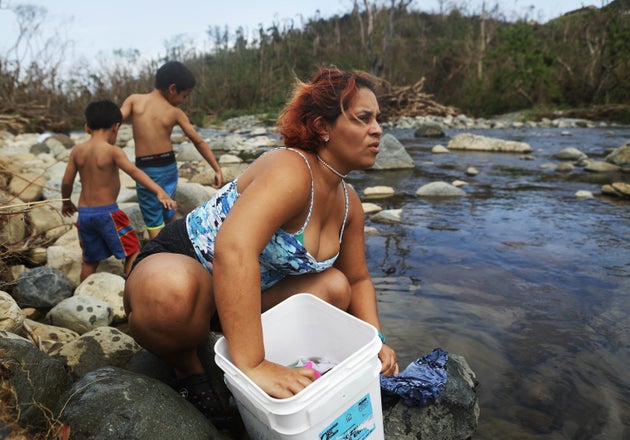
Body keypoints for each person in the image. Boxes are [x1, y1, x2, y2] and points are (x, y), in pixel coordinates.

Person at [123, 67, 398, 419]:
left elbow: (358, 279)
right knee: (169, 294)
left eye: (377, 119)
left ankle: (234, 343)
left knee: (336, 286)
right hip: (183, 263)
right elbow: (233, 249)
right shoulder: (291, 168)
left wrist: (374, 342)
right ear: (322, 127)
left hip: (240, 299)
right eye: (363, 118)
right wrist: (253, 365)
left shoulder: (350, 203)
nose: (377, 129)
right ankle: (188, 367)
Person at [61, 99, 177, 281]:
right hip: (108, 215)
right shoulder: (112, 151)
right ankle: (131, 288)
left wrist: (66, 201)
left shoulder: (77, 151)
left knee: (89, 260)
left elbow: (67, 181)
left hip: (84, 216)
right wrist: (158, 191)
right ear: (116, 127)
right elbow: (134, 172)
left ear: (86, 127)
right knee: (132, 250)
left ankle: (81, 292)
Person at [120, 60, 223, 239]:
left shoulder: (135, 101)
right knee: (168, 207)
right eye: (185, 96)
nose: (184, 101)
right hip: (169, 168)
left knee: (153, 219)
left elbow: (114, 121)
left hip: (147, 170)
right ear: (172, 89)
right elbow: (198, 142)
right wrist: (217, 168)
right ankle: (178, 241)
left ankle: (160, 254)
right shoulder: (174, 112)